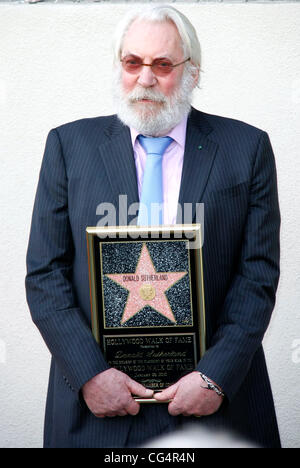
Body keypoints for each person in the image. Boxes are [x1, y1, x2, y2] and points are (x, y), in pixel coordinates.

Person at [25, 4, 281, 448]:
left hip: (215, 406)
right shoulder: (68, 146)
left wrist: (215, 378)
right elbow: (45, 273)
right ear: (118, 66)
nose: (146, 78)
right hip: (95, 408)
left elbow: (257, 274)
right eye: (133, 62)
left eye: (163, 64)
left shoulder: (247, 148)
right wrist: (90, 375)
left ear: (192, 72)